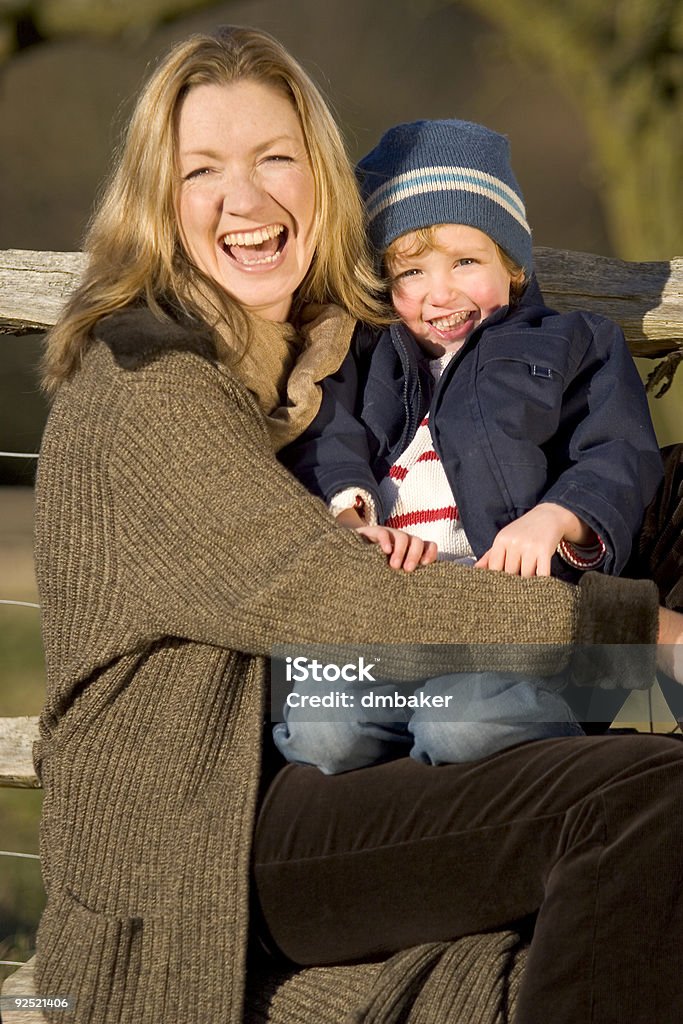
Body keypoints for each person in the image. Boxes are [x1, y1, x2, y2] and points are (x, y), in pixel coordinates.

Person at [32, 24, 683, 1024]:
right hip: (212, 823)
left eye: (274, 160)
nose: (245, 201)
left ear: (325, 182)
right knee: (644, 800)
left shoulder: (324, 345)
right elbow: (340, 598)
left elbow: (503, 329)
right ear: (158, 204)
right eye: (203, 170)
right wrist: (632, 635)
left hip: (344, 730)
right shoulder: (150, 382)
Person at [274, 118, 664, 773]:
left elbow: (617, 455)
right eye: (412, 272)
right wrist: (350, 514)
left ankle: (558, 746)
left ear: (512, 267)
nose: (440, 293)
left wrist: (555, 518)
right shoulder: (362, 356)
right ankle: (404, 786)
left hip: (511, 629)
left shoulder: (572, 344)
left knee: (464, 724)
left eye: (465, 262)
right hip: (392, 624)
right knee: (322, 731)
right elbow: (325, 436)